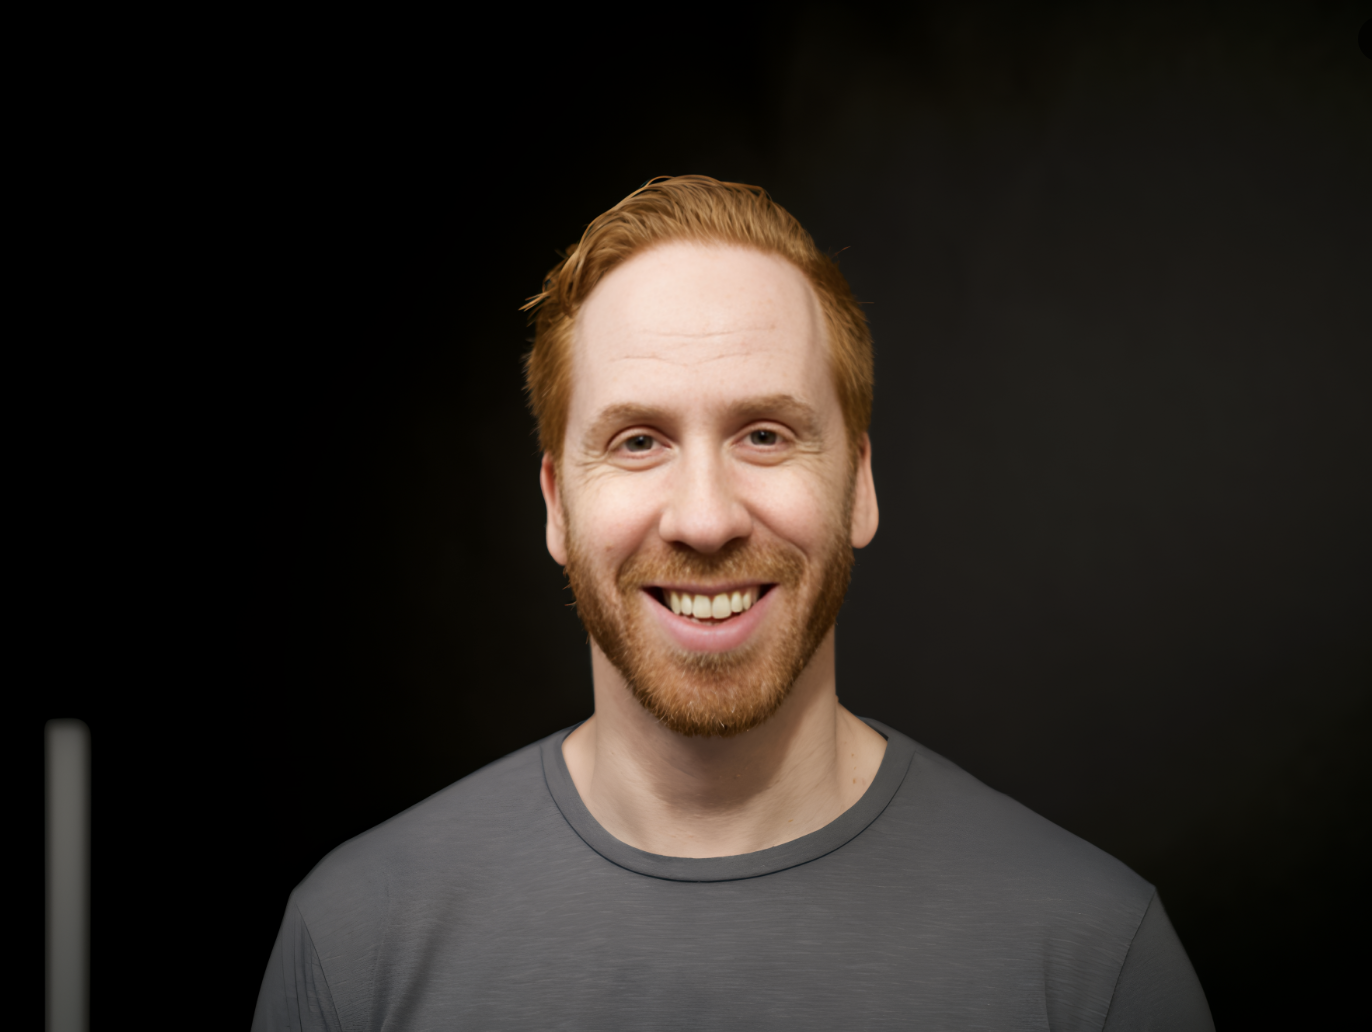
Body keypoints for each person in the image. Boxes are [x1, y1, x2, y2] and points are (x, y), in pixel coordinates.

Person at [253, 176, 1214, 1030]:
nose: (706, 520)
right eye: (638, 441)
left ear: (859, 486)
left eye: (764, 434)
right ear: (555, 504)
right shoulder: (356, 945)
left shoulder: (1091, 962)